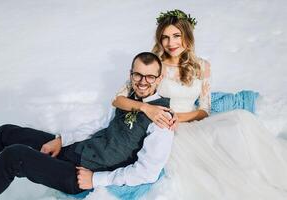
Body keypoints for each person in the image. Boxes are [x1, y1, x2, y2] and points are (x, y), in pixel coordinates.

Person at [112, 9, 287, 199]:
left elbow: (204, 110)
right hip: (166, 127)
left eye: (176, 36)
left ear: (187, 36)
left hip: (191, 121)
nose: (171, 43)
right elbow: (118, 99)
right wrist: (147, 108)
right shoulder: (155, 64)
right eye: (165, 37)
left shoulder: (202, 66)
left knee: (240, 123)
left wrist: (179, 117)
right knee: (200, 168)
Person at [0, 52, 174, 200]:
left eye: (150, 77)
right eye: (138, 75)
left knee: (15, 156)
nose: (142, 82)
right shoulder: (129, 100)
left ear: (159, 78)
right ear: (130, 74)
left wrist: (95, 179)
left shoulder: (162, 121)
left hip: (80, 175)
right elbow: (99, 125)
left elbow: (147, 173)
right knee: (7, 132)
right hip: (74, 149)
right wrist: (61, 140)